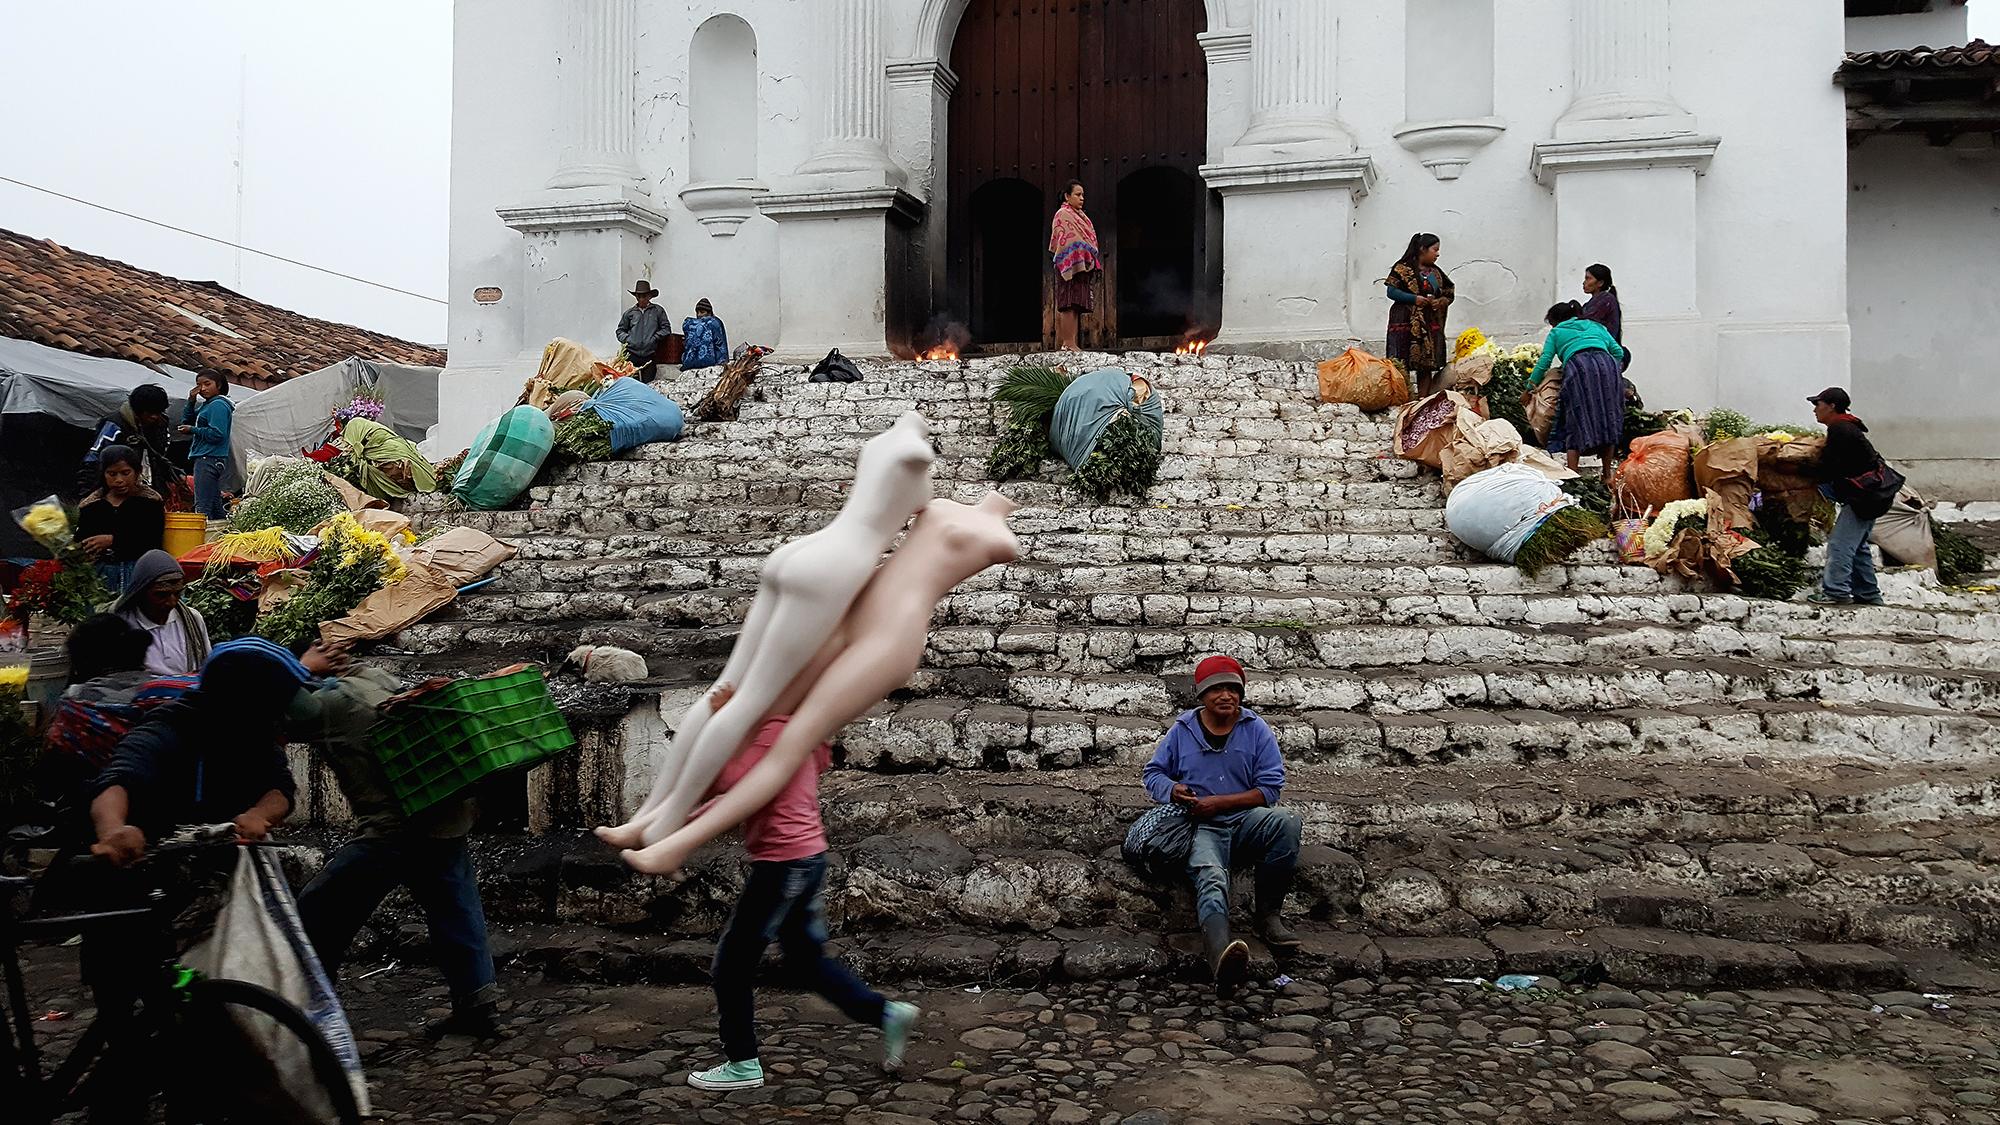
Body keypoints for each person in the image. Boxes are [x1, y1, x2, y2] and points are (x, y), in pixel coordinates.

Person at [686, 694, 919, 1093]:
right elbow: (767, 784)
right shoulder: (799, 728)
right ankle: (886, 1013)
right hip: (807, 858)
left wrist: (718, 724)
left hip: (782, 864)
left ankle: (742, 1062)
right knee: (806, 961)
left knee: (732, 962)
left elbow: (733, 782)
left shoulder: (772, 731)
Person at [289, 645, 501, 1039]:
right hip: (443, 811)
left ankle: (306, 1010)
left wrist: (298, 668)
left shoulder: (331, 703)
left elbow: (285, 714)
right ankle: (478, 1005)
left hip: (391, 829)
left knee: (321, 909)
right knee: (456, 909)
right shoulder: (377, 678)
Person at [1140, 655, 1301, 994]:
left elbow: (1270, 789)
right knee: (1210, 875)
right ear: (1201, 696)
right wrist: (1173, 789)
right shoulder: (1183, 730)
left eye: (1233, 689)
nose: (1226, 696)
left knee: (1285, 822)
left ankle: (1269, 917)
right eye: (1217, 690)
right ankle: (1221, 955)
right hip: (1201, 826)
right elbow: (1153, 773)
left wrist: (1220, 803)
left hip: (1244, 821)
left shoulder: (1255, 729)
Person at [87, 637, 310, 866]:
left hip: (226, 854)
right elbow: (119, 777)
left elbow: (280, 787)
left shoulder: (257, 734)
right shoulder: (169, 725)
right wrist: (112, 829)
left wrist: (260, 815)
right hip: (147, 858)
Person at [37, 615, 193, 831]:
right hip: (182, 811)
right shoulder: (170, 693)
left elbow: (52, 777)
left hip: (105, 822)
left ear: (82, 659)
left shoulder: (76, 709)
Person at [1807, 387, 1896, 607]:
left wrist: (1804, 470)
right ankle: (1868, 593)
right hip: (1874, 495)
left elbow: (1830, 467)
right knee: (1858, 546)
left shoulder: (1841, 429)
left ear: (1832, 406)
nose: (1815, 410)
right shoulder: (1848, 427)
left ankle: (1836, 591)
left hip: (1865, 497)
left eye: (1818, 404)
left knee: (1839, 544)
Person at [1525, 302, 1628, 479]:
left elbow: (1545, 360)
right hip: (1607, 366)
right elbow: (1618, 352)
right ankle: (1606, 474)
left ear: (1555, 321)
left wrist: (1529, 388)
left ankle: (1573, 474)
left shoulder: (1557, 332)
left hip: (1579, 368)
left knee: (1576, 417)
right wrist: (1609, 371)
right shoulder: (1595, 326)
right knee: (1608, 416)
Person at [75, 444, 166, 592]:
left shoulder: (150, 502)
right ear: (103, 474)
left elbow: (153, 540)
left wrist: (113, 541)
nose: (119, 480)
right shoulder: (91, 505)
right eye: (112, 474)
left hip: (139, 573)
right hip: (100, 578)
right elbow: (82, 540)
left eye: (125, 473)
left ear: (137, 472)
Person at [76, 383, 183, 502]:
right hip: (116, 491)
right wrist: (88, 495)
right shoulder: (115, 425)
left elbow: (160, 458)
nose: (154, 417)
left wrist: (175, 476)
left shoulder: (161, 425)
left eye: (158, 412)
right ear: (138, 410)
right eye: (150, 412)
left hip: (149, 489)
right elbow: (93, 459)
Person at [114, 549, 212, 676]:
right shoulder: (122, 624)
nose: (171, 602)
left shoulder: (193, 619)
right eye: (161, 595)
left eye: (177, 594)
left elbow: (206, 667)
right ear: (141, 593)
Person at [1384, 234, 1455, 396]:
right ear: (1423, 249)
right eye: (1435, 250)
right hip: (1405, 321)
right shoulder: (1403, 269)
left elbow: (1448, 293)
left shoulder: (1436, 273)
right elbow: (1391, 291)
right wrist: (1413, 299)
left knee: (1426, 364)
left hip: (1429, 323)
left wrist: (1440, 301)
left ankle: (1423, 399)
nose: (1438, 254)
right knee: (1402, 361)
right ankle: (1403, 397)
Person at [329, 415, 437, 500]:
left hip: (395, 454)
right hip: (403, 453)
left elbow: (350, 452)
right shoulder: (364, 430)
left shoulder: (354, 428)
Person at [1049, 180, 1101, 352]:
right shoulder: (1062, 214)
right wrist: (1076, 252)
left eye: (1083, 195)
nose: (1082, 198)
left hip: (1082, 265)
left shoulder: (1082, 217)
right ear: (1067, 196)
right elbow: (1065, 239)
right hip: (1068, 264)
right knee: (1068, 303)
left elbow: (1087, 238)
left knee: (1077, 303)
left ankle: (1073, 342)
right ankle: (1067, 343)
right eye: (1078, 195)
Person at [178, 372, 233, 518]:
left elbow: (217, 434)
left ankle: (202, 536)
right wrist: (191, 400)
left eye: (207, 384)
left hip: (208, 457)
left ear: (219, 385)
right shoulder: (208, 405)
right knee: (214, 503)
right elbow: (187, 419)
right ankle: (220, 535)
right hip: (210, 458)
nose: (202, 389)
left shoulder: (218, 405)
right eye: (199, 385)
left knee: (203, 504)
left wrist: (193, 430)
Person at [616, 280, 671, 382]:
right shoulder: (629, 313)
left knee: (649, 383)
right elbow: (620, 331)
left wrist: (654, 338)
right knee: (632, 384)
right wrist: (629, 339)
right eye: (639, 296)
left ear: (649, 296)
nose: (641, 299)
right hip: (631, 355)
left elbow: (666, 329)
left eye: (644, 296)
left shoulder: (658, 311)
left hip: (649, 354)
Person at [1579, 263, 1623, 345]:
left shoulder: (1606, 300)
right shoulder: (1588, 304)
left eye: (1588, 278)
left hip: (1603, 348)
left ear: (1600, 283)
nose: (1584, 282)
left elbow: (1587, 323)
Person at [681, 297, 730, 370]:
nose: (699, 315)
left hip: (714, 367)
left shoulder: (715, 323)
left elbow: (720, 346)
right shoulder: (694, 327)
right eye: (697, 312)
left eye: (702, 312)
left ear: (709, 313)